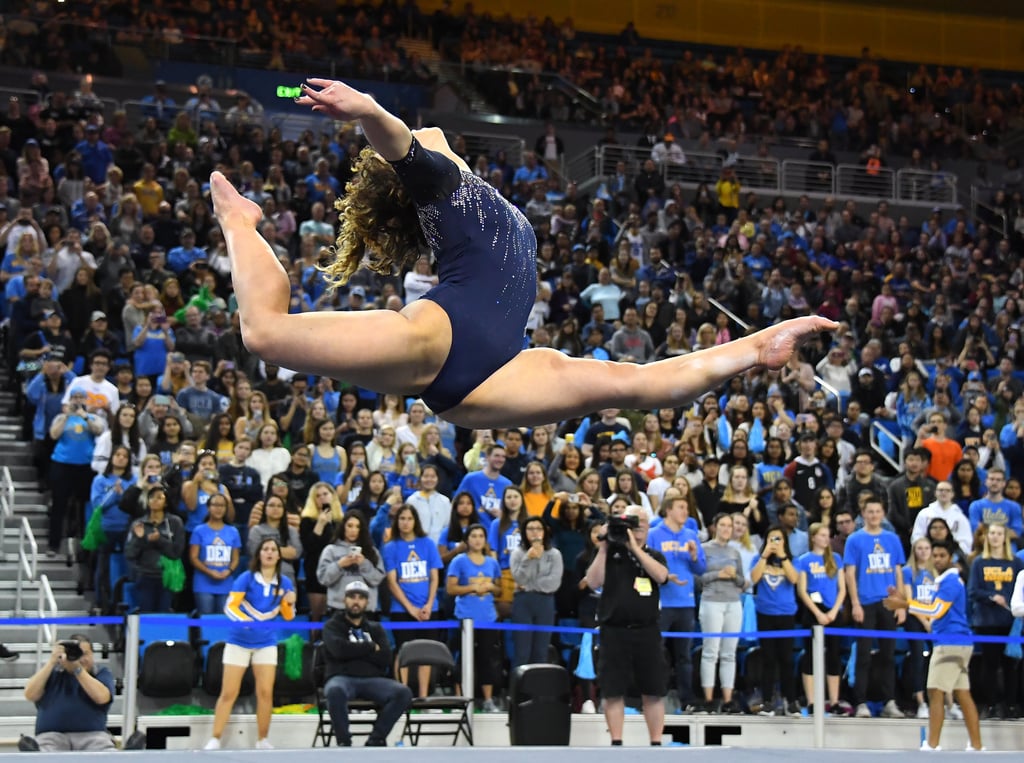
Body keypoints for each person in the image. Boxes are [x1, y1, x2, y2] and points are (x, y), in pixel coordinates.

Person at [210, 78, 834, 433]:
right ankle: (242, 223)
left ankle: (758, 346)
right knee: (264, 332)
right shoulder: (442, 187)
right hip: (449, 341)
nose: (436, 135)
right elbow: (403, 143)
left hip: (497, 369)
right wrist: (370, 111)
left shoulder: (470, 195)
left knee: (635, 385)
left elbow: (411, 142)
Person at [884, 541, 984, 752]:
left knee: (935, 690)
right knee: (962, 694)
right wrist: (904, 599)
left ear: (951, 558)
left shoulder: (950, 582)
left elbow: (936, 610)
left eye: (941, 555)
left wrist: (904, 605)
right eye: (935, 555)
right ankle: (976, 746)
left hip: (950, 642)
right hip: (958, 642)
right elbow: (932, 608)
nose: (937, 559)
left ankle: (932, 744)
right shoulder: (943, 581)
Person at [585, 506, 669, 745]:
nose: (638, 525)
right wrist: (603, 548)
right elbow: (592, 582)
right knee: (613, 690)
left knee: (653, 690)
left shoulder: (654, 555)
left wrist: (634, 548)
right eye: (633, 521)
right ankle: (617, 742)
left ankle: (655, 742)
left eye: (642, 520)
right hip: (614, 630)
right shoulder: (610, 555)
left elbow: (661, 576)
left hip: (647, 630)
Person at [205, 537, 297, 750]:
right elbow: (230, 607)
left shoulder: (285, 583)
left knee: (265, 693)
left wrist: (290, 603)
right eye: (265, 549)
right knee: (229, 692)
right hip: (239, 641)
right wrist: (247, 623)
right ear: (259, 554)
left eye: (274, 549)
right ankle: (215, 738)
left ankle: (262, 740)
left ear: (278, 555)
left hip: (266, 643)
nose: (270, 552)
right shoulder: (246, 578)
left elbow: (288, 617)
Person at [321, 580, 413, 746]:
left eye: (361, 598)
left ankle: (376, 739)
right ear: (344, 600)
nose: (356, 601)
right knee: (334, 691)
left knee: (403, 693)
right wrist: (370, 647)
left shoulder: (375, 628)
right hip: (341, 678)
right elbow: (339, 651)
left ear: (367, 602)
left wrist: (352, 651)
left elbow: (385, 657)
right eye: (352, 597)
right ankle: (344, 742)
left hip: (372, 679)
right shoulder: (332, 626)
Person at [21, 636, 144, 752]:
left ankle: (127, 755)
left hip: (93, 735)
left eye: (85, 654)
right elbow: (30, 695)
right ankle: (35, 754)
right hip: (51, 736)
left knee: (106, 755)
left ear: (92, 655)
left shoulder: (100, 672)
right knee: (44, 755)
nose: (81, 659)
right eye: (76, 654)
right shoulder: (51, 673)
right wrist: (51, 662)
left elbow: (102, 697)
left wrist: (77, 670)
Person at [843, 495, 905, 718]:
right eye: (870, 512)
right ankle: (861, 702)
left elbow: (898, 571)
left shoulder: (892, 539)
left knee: (889, 654)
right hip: (866, 602)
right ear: (863, 514)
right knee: (863, 655)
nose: (874, 516)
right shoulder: (855, 540)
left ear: (883, 514)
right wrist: (855, 603)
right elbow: (850, 573)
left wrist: (900, 603)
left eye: (878, 512)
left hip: (888, 602)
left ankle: (889, 701)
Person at [646, 494, 705, 713]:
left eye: (686, 507)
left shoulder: (691, 535)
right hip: (661, 602)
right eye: (681, 507)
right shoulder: (653, 534)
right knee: (656, 652)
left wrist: (695, 556)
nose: (685, 511)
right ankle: (654, 697)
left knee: (684, 656)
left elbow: (700, 569)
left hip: (685, 603)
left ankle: (687, 700)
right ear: (668, 510)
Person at [383, 505, 443, 697]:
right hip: (401, 610)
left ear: (415, 521)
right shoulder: (390, 547)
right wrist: (410, 608)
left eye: (409, 518)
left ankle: (424, 697)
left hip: (428, 609)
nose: (405, 522)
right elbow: (392, 582)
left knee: (425, 653)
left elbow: (434, 577)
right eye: (402, 519)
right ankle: (402, 694)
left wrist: (428, 605)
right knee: (403, 652)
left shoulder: (427, 544)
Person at [967, 522, 1023, 719]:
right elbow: (973, 591)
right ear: (987, 537)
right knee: (990, 665)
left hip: (1011, 623)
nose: (996, 537)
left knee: (1011, 666)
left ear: (1005, 537)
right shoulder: (979, 563)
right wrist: (991, 596)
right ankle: (991, 705)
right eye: (992, 533)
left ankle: (1011, 705)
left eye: (999, 533)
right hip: (987, 621)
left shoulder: (1015, 563)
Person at [446, 523, 503, 713]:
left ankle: (487, 700)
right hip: (465, 617)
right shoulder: (459, 561)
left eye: (481, 536)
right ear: (467, 540)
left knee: (487, 659)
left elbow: (499, 588)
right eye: (474, 536)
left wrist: (490, 588)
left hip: (488, 618)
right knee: (463, 658)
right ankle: (459, 699)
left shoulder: (492, 563)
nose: (477, 539)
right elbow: (451, 588)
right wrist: (472, 588)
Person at [795, 522, 847, 715]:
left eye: (828, 535)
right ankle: (811, 701)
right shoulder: (804, 560)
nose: (826, 539)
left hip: (833, 611)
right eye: (823, 535)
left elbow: (842, 588)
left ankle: (834, 701)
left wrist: (834, 612)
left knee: (834, 655)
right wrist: (817, 613)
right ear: (813, 537)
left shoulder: (835, 558)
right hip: (813, 611)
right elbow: (802, 590)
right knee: (810, 655)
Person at [749, 525, 800, 715]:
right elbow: (753, 579)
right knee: (768, 659)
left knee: (787, 659)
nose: (775, 543)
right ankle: (768, 700)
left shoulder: (792, 560)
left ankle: (791, 700)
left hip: (786, 614)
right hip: (766, 614)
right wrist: (764, 556)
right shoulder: (758, 559)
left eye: (779, 539)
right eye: (772, 539)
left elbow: (794, 579)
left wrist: (783, 557)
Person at [508, 516, 563, 669]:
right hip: (522, 602)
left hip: (545, 602)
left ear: (545, 532)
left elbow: (553, 583)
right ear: (524, 532)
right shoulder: (518, 554)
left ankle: (537, 691)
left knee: (541, 651)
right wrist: (528, 559)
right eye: (530, 529)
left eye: (538, 529)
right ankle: (518, 691)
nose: (535, 533)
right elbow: (519, 579)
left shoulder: (554, 555)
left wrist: (530, 584)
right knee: (522, 652)